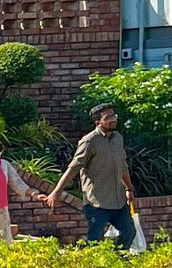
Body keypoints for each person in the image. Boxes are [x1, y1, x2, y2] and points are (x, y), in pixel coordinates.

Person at [48, 102, 137, 244]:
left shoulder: (118, 138)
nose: (113, 119)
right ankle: (96, 259)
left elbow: (123, 166)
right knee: (95, 241)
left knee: (129, 233)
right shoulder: (89, 141)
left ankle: (116, 257)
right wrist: (57, 191)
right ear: (98, 122)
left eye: (113, 115)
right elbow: (74, 167)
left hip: (118, 201)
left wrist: (129, 189)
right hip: (97, 202)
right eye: (108, 117)